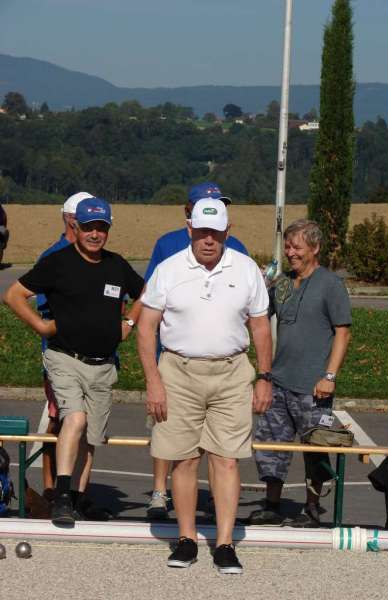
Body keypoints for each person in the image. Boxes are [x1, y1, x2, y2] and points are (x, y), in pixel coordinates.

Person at [137, 198, 272, 573]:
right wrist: (153, 381)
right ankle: (186, 539)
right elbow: (146, 327)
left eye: (216, 232)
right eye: (201, 232)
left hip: (231, 373)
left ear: (228, 232)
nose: (208, 240)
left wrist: (264, 377)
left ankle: (225, 543)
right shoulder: (168, 269)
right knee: (184, 457)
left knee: (227, 459)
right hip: (178, 372)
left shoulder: (246, 270)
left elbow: (260, 327)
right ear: (190, 230)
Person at [3, 197, 144, 526]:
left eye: (102, 228)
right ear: (76, 227)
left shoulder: (116, 265)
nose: (96, 234)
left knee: (91, 436)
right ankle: (62, 495)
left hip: (103, 362)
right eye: (89, 228)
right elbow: (14, 295)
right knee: (75, 419)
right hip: (65, 357)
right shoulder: (58, 263)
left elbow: (147, 292)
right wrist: (39, 325)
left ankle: (80, 497)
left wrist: (130, 324)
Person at [144, 181, 248, 520]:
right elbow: (150, 299)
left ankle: (221, 519)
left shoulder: (236, 248)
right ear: (189, 213)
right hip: (176, 358)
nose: (210, 235)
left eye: (221, 204)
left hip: (222, 362)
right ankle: (160, 490)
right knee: (175, 443)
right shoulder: (168, 245)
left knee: (221, 452)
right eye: (208, 204)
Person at [249, 219, 352, 527]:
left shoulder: (330, 285)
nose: (291, 253)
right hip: (278, 381)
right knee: (272, 445)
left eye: (297, 247)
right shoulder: (281, 283)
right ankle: (271, 503)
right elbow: (258, 318)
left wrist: (329, 377)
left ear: (315, 248)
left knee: (314, 448)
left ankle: (311, 508)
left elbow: (343, 333)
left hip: (313, 386)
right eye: (288, 246)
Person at [36, 192, 93, 502]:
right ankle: (50, 488)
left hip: (97, 357)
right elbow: (43, 307)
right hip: (62, 355)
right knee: (62, 420)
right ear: (71, 220)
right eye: (86, 222)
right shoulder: (53, 257)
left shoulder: (97, 255)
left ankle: (79, 493)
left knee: (90, 425)